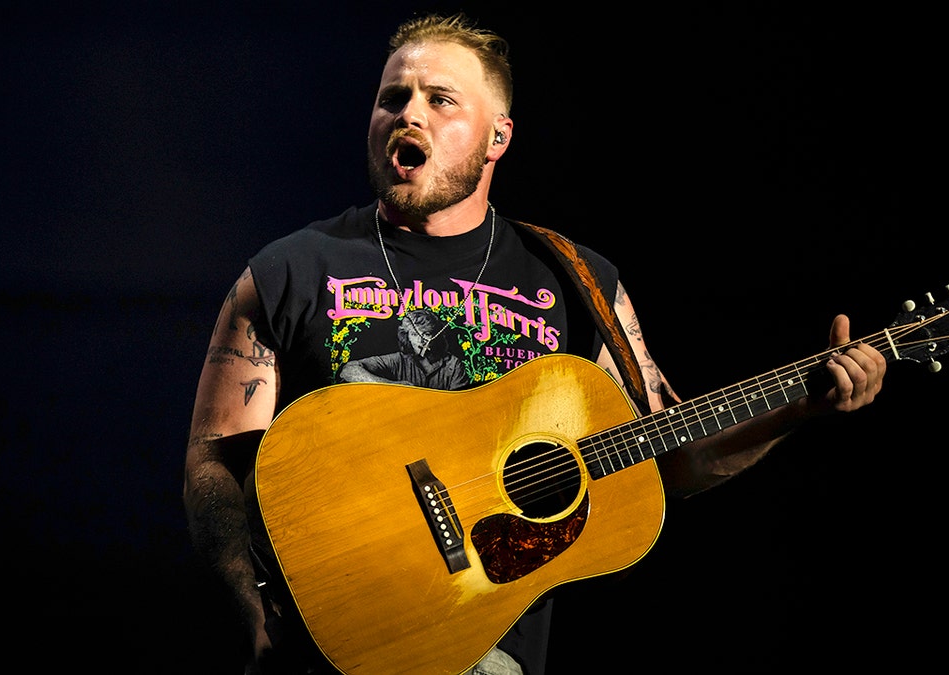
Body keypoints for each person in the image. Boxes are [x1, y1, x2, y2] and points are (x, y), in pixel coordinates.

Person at [183, 12, 887, 675]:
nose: (409, 112)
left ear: (498, 138)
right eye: (393, 96)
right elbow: (216, 461)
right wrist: (253, 619)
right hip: (330, 643)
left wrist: (797, 410)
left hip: (485, 646)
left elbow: (669, 459)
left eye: (440, 99)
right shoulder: (287, 269)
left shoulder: (579, 281)